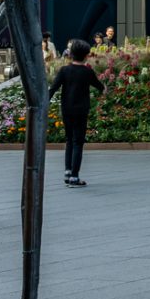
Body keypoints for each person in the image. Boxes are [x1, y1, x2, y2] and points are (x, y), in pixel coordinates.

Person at [55, 38, 102, 187]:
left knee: (69, 139)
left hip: (66, 110)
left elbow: (53, 88)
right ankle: (75, 177)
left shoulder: (64, 70)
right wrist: (104, 90)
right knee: (78, 142)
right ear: (86, 55)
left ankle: (68, 171)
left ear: (70, 54)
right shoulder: (87, 72)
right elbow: (99, 86)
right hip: (81, 111)